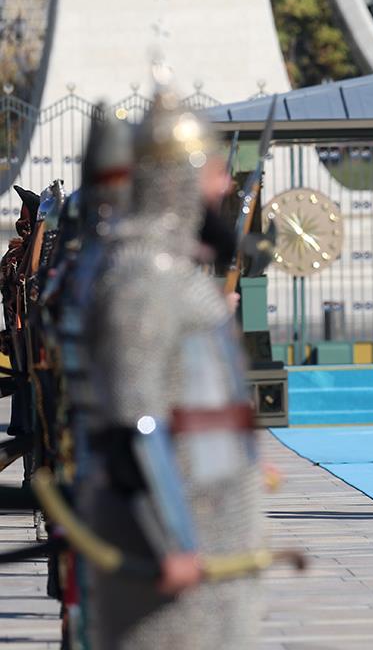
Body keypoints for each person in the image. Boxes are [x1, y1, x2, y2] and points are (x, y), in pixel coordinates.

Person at [81, 78, 262, 648]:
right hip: (172, 545)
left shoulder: (173, 275)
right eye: (213, 170)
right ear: (181, 180)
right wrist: (174, 540)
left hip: (213, 526)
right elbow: (136, 420)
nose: (225, 184)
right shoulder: (142, 278)